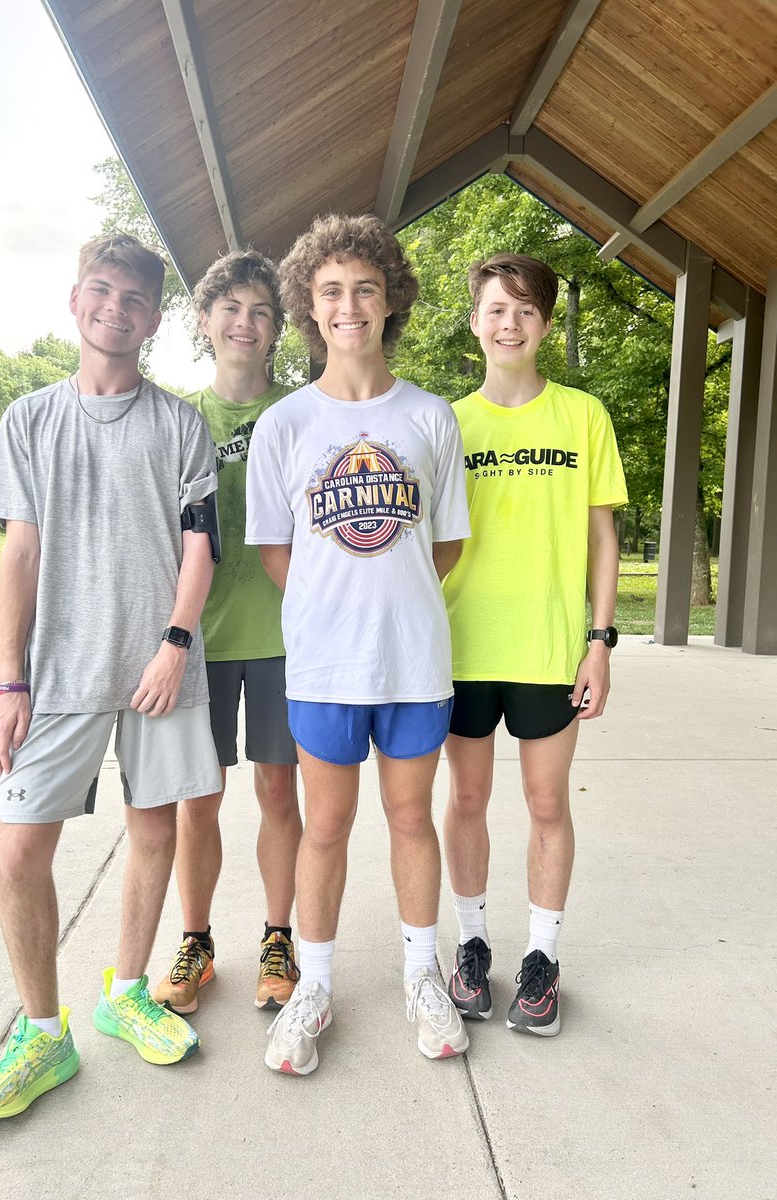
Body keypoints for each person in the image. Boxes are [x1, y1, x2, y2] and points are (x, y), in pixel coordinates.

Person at [0, 234, 222, 1121]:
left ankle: (128, 991)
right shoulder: (28, 420)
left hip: (158, 670)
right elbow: (19, 553)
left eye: (134, 297)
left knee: (154, 833)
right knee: (20, 847)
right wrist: (6, 678)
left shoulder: (183, 423)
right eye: (101, 291)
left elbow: (199, 545)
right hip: (57, 674)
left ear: (153, 318)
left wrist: (176, 642)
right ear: (76, 302)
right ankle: (41, 1034)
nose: (116, 307)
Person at [246, 214, 471, 1075]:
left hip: (414, 660)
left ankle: (423, 976)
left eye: (365, 288)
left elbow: (443, 545)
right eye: (332, 290)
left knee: (411, 817)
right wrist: (335, 606)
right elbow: (278, 551)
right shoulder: (285, 425)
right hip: (324, 663)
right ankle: (316, 986)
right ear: (311, 304)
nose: (349, 305)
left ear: (390, 300)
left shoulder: (429, 417)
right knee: (327, 826)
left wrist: (394, 600)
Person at [441, 252, 627, 1037]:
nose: (509, 322)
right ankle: (473, 944)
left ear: (543, 325)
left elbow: (603, 537)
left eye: (524, 309)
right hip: (459, 647)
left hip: (551, 649)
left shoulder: (582, 416)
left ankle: (543, 958)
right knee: (470, 800)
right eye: (495, 308)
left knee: (547, 803)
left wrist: (600, 642)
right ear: (475, 322)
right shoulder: (445, 421)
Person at [152, 250, 302, 1016]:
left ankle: (279, 937)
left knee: (279, 788)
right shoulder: (177, 417)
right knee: (198, 799)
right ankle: (197, 940)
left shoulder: (301, 413)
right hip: (200, 643)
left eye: (261, 311)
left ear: (277, 329)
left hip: (281, 639)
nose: (245, 323)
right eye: (231, 308)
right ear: (206, 320)